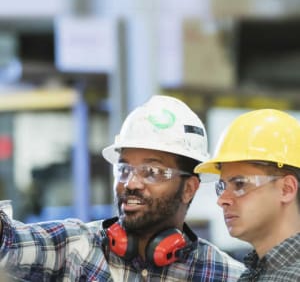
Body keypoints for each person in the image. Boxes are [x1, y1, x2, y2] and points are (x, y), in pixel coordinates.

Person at [0, 95, 244, 281]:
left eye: (152, 172)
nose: (131, 183)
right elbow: (9, 242)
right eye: (124, 169)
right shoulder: (76, 247)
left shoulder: (224, 274)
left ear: (189, 188)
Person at [195, 108, 300, 281]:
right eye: (222, 186)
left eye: (240, 184)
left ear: (286, 189)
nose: (222, 200)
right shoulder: (250, 276)